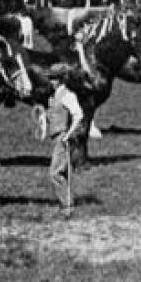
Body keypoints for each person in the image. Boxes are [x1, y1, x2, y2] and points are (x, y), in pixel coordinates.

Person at [46, 64, 84, 218]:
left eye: (53, 78)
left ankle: (66, 206)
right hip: (56, 137)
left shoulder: (68, 95)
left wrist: (69, 134)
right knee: (62, 171)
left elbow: (78, 115)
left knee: (54, 173)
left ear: (61, 80)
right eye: (50, 78)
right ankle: (67, 205)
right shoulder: (54, 96)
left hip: (62, 137)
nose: (51, 81)